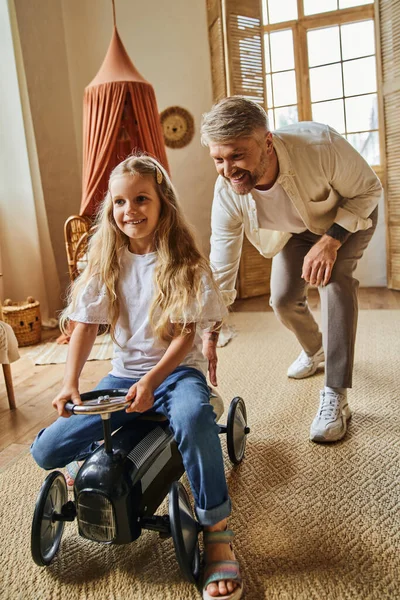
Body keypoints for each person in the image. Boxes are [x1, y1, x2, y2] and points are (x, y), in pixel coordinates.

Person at [30, 154, 243, 600]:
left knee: (193, 419)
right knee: (47, 449)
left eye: (141, 199)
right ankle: (87, 456)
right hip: (121, 378)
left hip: (176, 374)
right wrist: (70, 383)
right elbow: (85, 326)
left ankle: (217, 532)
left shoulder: (184, 263)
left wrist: (151, 383)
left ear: (162, 201)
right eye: (120, 202)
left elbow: (185, 338)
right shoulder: (106, 258)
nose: (130, 211)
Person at [201, 96, 382, 444]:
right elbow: (221, 266)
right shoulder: (226, 191)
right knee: (282, 299)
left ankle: (336, 394)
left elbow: (368, 191)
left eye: (237, 155)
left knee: (335, 281)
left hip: (350, 214)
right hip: (296, 229)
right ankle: (316, 350)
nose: (227, 169)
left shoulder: (319, 145)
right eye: (218, 159)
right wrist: (211, 331)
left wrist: (331, 241)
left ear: (267, 141)